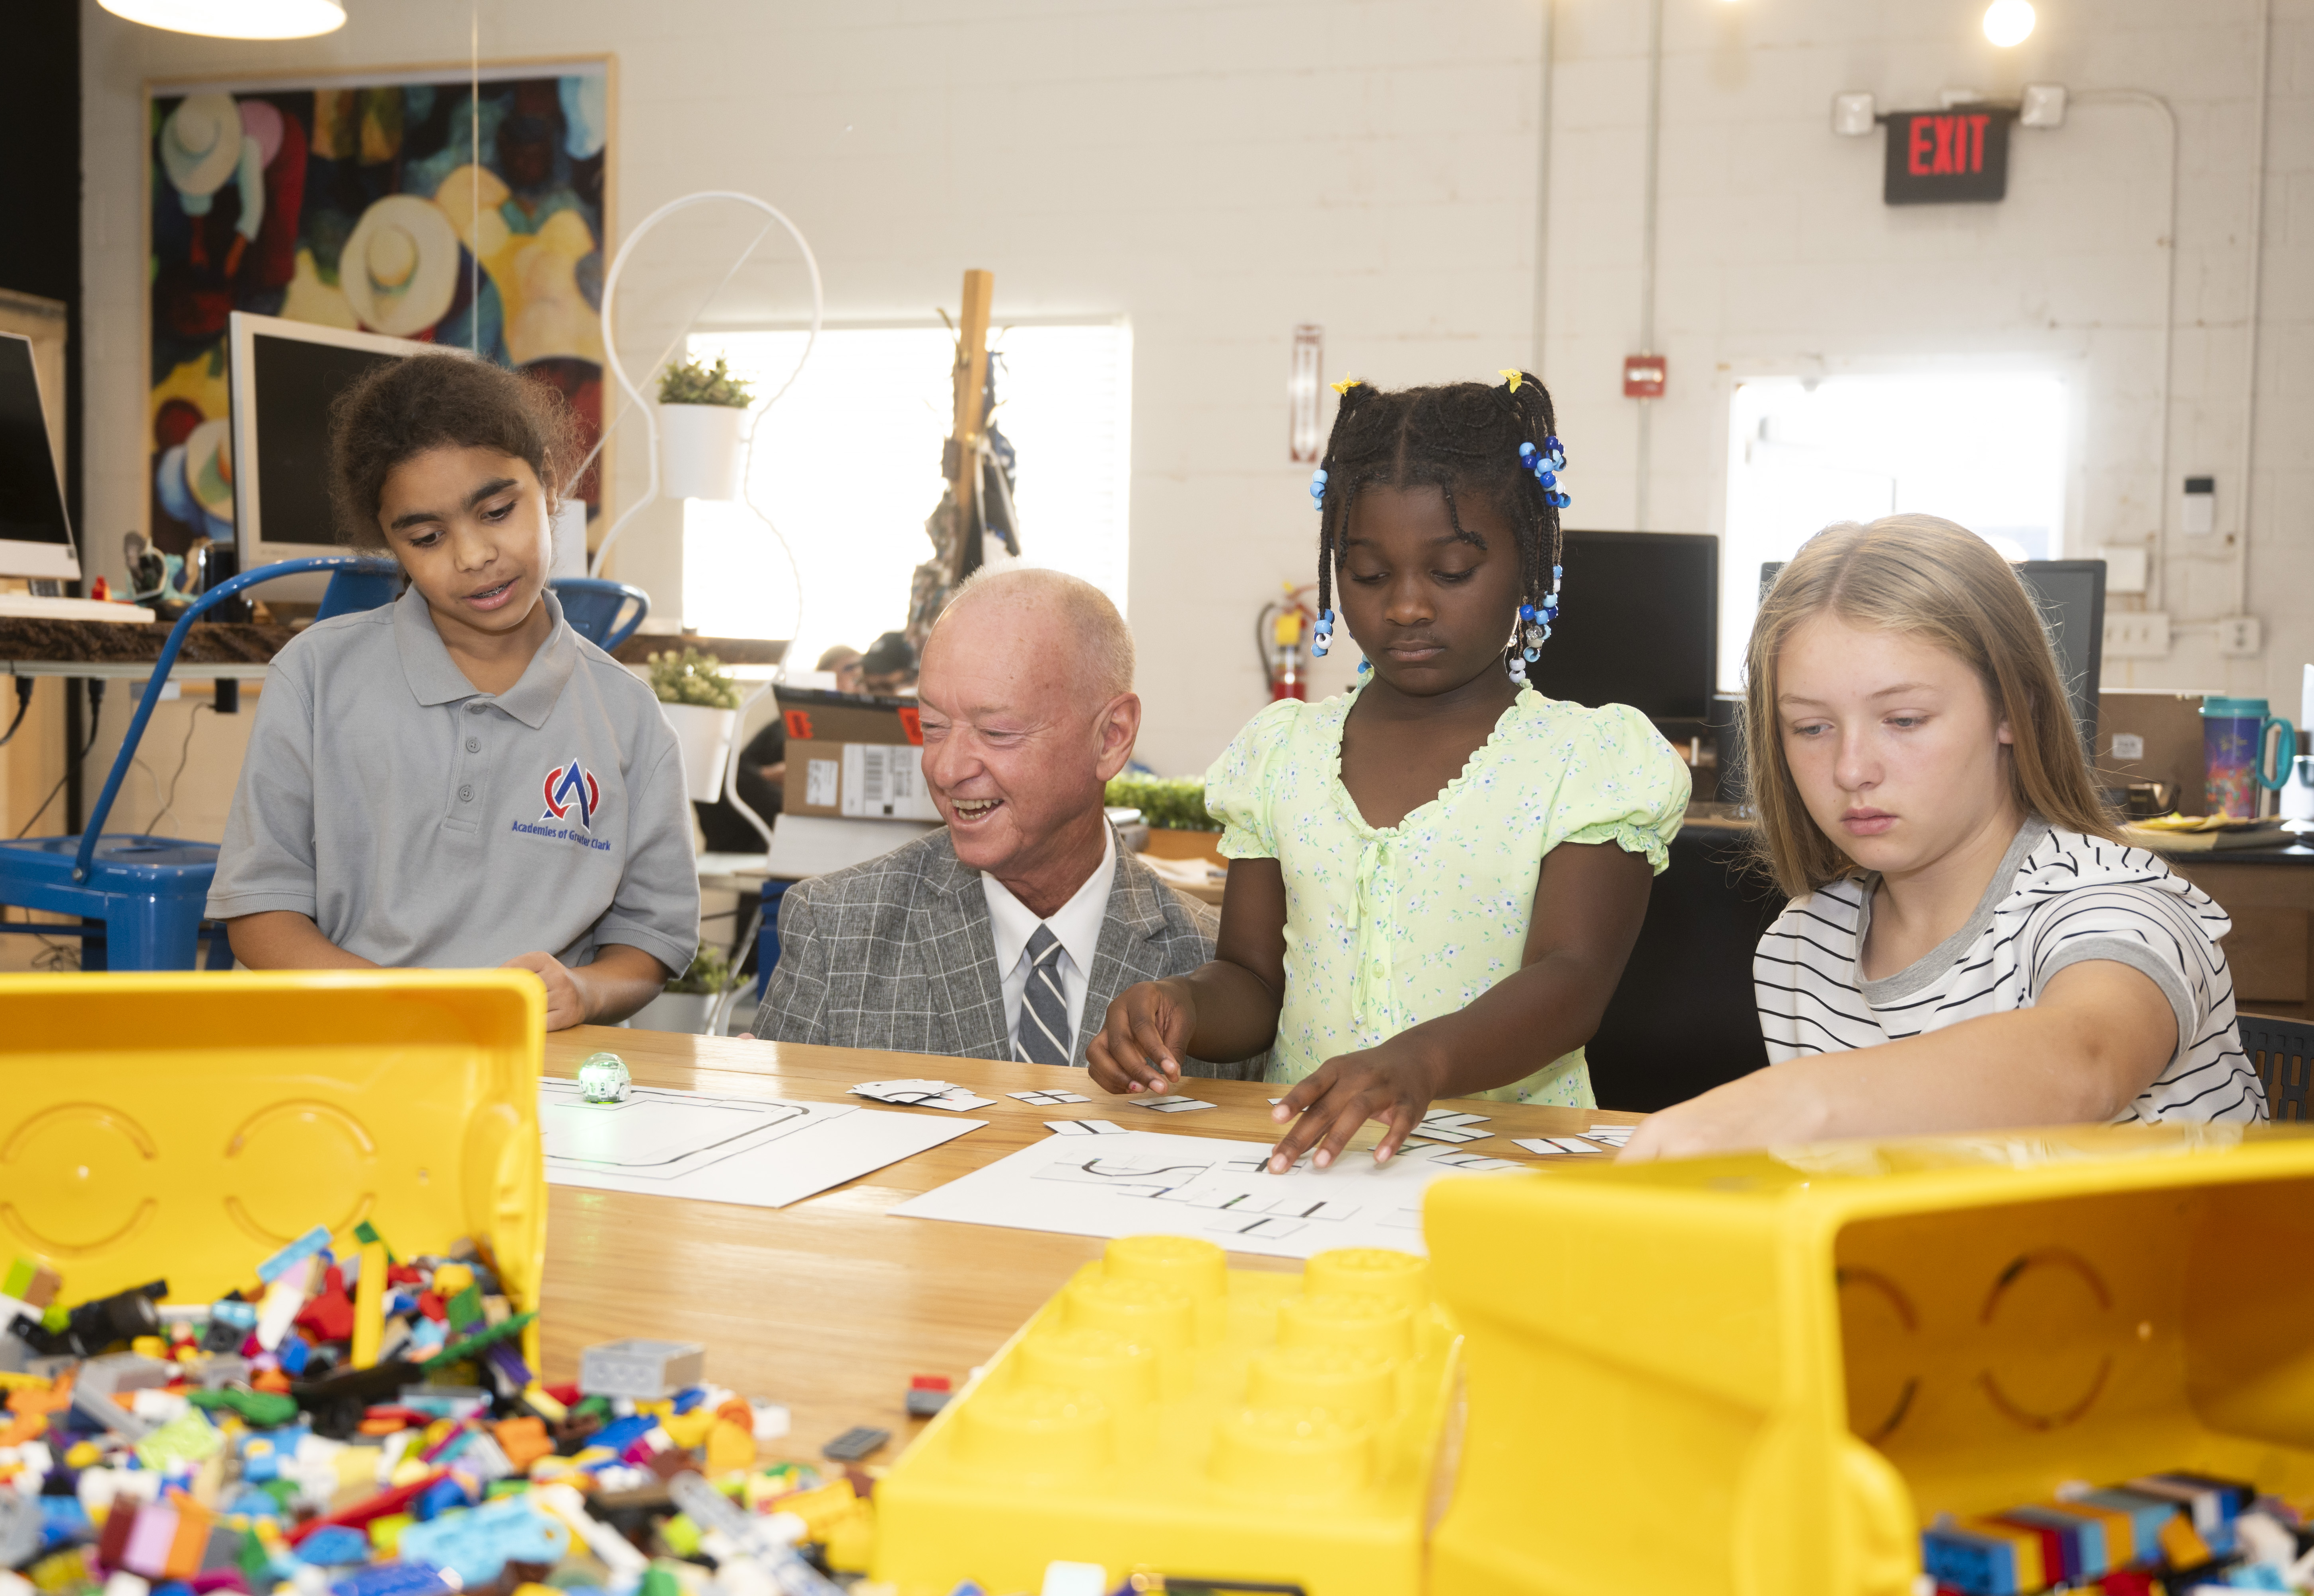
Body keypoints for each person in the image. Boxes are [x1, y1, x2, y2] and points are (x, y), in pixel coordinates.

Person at [1090, 373, 1689, 1170]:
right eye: (1370, 575)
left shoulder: (1586, 762)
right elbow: (1252, 980)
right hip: (1313, 1165)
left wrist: (1422, 1061)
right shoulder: (1284, 754)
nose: (1406, 605)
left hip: (1508, 1168)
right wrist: (1182, 1004)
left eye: (1449, 571)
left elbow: (1572, 979)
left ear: (1529, 568)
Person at [1624, 516, 2266, 1160]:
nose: (1850, 768)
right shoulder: (1800, 945)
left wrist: (1799, 1100)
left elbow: (2084, 1060)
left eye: (1903, 719)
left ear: (2015, 709)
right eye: (1811, 727)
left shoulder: (2114, 900)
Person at [208, 354, 700, 1029]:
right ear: (391, 543)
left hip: (537, 1071)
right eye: (428, 536)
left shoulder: (628, 716)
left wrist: (583, 991)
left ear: (550, 488)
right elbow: (260, 915)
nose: (472, 555)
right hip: (346, 1048)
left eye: (497, 511)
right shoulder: (316, 674)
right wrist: (411, 1008)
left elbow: (650, 939)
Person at [755, 568, 1255, 1073]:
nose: (947, 770)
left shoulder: (1220, 978)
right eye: (931, 727)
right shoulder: (837, 934)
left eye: (996, 732)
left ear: (1111, 737)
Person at [701, 633, 922, 849]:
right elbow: (737, 773)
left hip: (802, 823)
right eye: (849, 671)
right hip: (759, 820)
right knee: (714, 762)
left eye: (860, 676)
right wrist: (770, 775)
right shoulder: (788, 724)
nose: (858, 682)